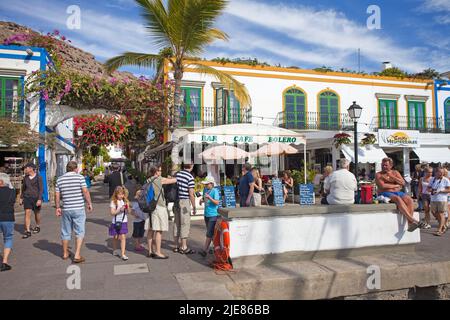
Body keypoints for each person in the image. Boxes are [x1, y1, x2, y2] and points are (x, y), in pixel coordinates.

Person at [55, 161, 93, 263]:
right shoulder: (80, 177)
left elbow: (57, 195)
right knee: (79, 231)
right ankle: (77, 255)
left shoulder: (60, 179)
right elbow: (85, 191)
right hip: (78, 208)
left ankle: (65, 253)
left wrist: (58, 207)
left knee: (65, 231)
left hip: (66, 208)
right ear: (75, 169)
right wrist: (89, 203)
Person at [375, 157, 424, 232]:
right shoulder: (379, 174)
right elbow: (383, 186)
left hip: (397, 192)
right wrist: (396, 186)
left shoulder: (395, 172)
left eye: (386, 165)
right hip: (385, 192)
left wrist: (392, 177)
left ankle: (410, 223)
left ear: (391, 165)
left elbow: (403, 183)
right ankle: (411, 220)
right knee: (398, 199)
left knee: (409, 200)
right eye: (383, 165)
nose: (384, 167)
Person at [146, 165, 177, 259]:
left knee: (151, 229)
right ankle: (158, 252)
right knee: (159, 230)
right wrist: (173, 177)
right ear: (156, 172)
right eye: (159, 170)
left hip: (150, 207)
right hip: (159, 207)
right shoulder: (159, 179)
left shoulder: (148, 180)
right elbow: (174, 180)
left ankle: (150, 251)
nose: (161, 172)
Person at [173, 164, 196, 254]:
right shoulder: (189, 177)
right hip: (184, 203)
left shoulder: (177, 174)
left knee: (176, 223)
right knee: (184, 223)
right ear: (191, 165)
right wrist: (194, 206)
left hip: (176, 202)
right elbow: (191, 194)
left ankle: (176, 246)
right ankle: (184, 246)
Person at [20, 163, 43, 239]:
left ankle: (38, 225)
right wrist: (21, 198)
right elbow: (23, 189)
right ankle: (28, 231)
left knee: (37, 213)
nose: (25, 169)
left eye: (26, 168)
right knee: (27, 213)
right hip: (27, 198)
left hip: (36, 198)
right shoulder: (25, 178)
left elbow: (41, 189)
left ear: (31, 168)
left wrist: (39, 199)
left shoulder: (38, 177)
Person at [198, 176, 220, 257]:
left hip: (213, 215)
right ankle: (215, 248)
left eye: (207, 184)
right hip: (206, 214)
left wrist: (210, 198)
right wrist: (202, 200)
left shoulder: (215, 191)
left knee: (209, 233)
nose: (205, 186)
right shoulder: (205, 190)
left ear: (211, 183)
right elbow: (205, 199)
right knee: (211, 233)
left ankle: (205, 250)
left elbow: (217, 202)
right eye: (205, 184)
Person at [0, 174, 16, 271]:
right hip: (8, 218)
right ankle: (4, 262)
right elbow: (13, 202)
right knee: (8, 238)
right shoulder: (12, 192)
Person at [428, 167, 450, 236]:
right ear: (436, 172)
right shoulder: (432, 179)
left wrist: (441, 191)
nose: (441, 173)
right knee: (433, 212)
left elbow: (449, 190)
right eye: (440, 172)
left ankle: (439, 229)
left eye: (442, 172)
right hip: (433, 199)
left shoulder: (446, 180)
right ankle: (443, 225)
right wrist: (432, 190)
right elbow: (428, 188)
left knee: (441, 214)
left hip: (442, 199)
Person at [109, 186, 130, 260]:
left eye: (122, 194)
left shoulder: (125, 201)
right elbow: (112, 213)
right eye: (119, 194)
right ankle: (114, 249)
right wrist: (120, 210)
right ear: (116, 194)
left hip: (123, 221)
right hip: (115, 222)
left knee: (123, 237)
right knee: (115, 237)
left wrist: (127, 208)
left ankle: (123, 254)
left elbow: (128, 212)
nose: (121, 196)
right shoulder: (113, 202)